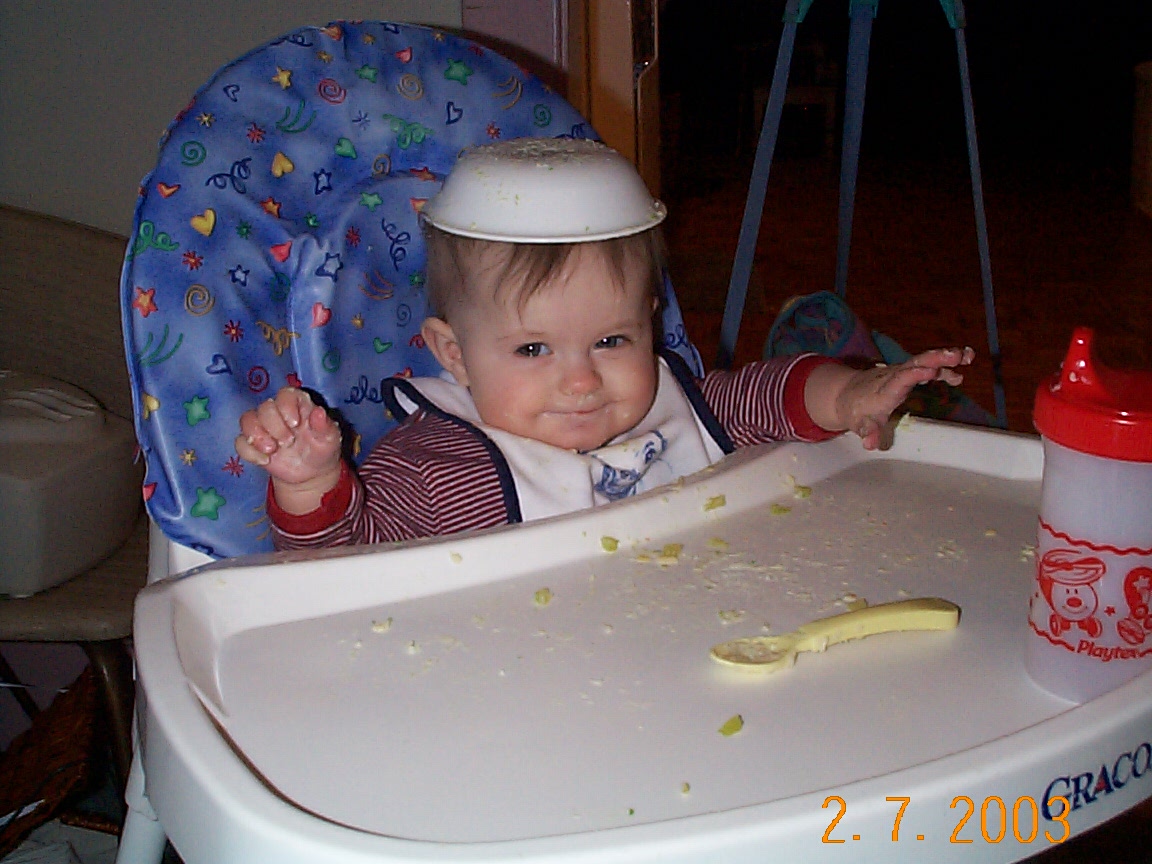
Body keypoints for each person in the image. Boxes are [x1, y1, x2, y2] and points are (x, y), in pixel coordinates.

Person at [235, 138, 973, 550]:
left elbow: (770, 396)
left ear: (650, 319)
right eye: (533, 350)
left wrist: (852, 392)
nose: (583, 382)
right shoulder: (440, 472)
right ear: (453, 354)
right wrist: (308, 485)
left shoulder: (674, 405)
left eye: (612, 340)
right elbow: (344, 562)